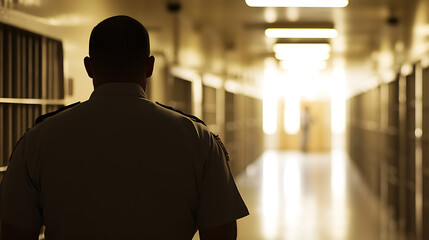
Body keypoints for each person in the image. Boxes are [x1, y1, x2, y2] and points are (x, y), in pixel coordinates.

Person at [0, 15, 249, 239]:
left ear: (89, 67)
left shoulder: (38, 139)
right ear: (150, 66)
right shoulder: (197, 138)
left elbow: (14, 232)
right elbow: (221, 233)